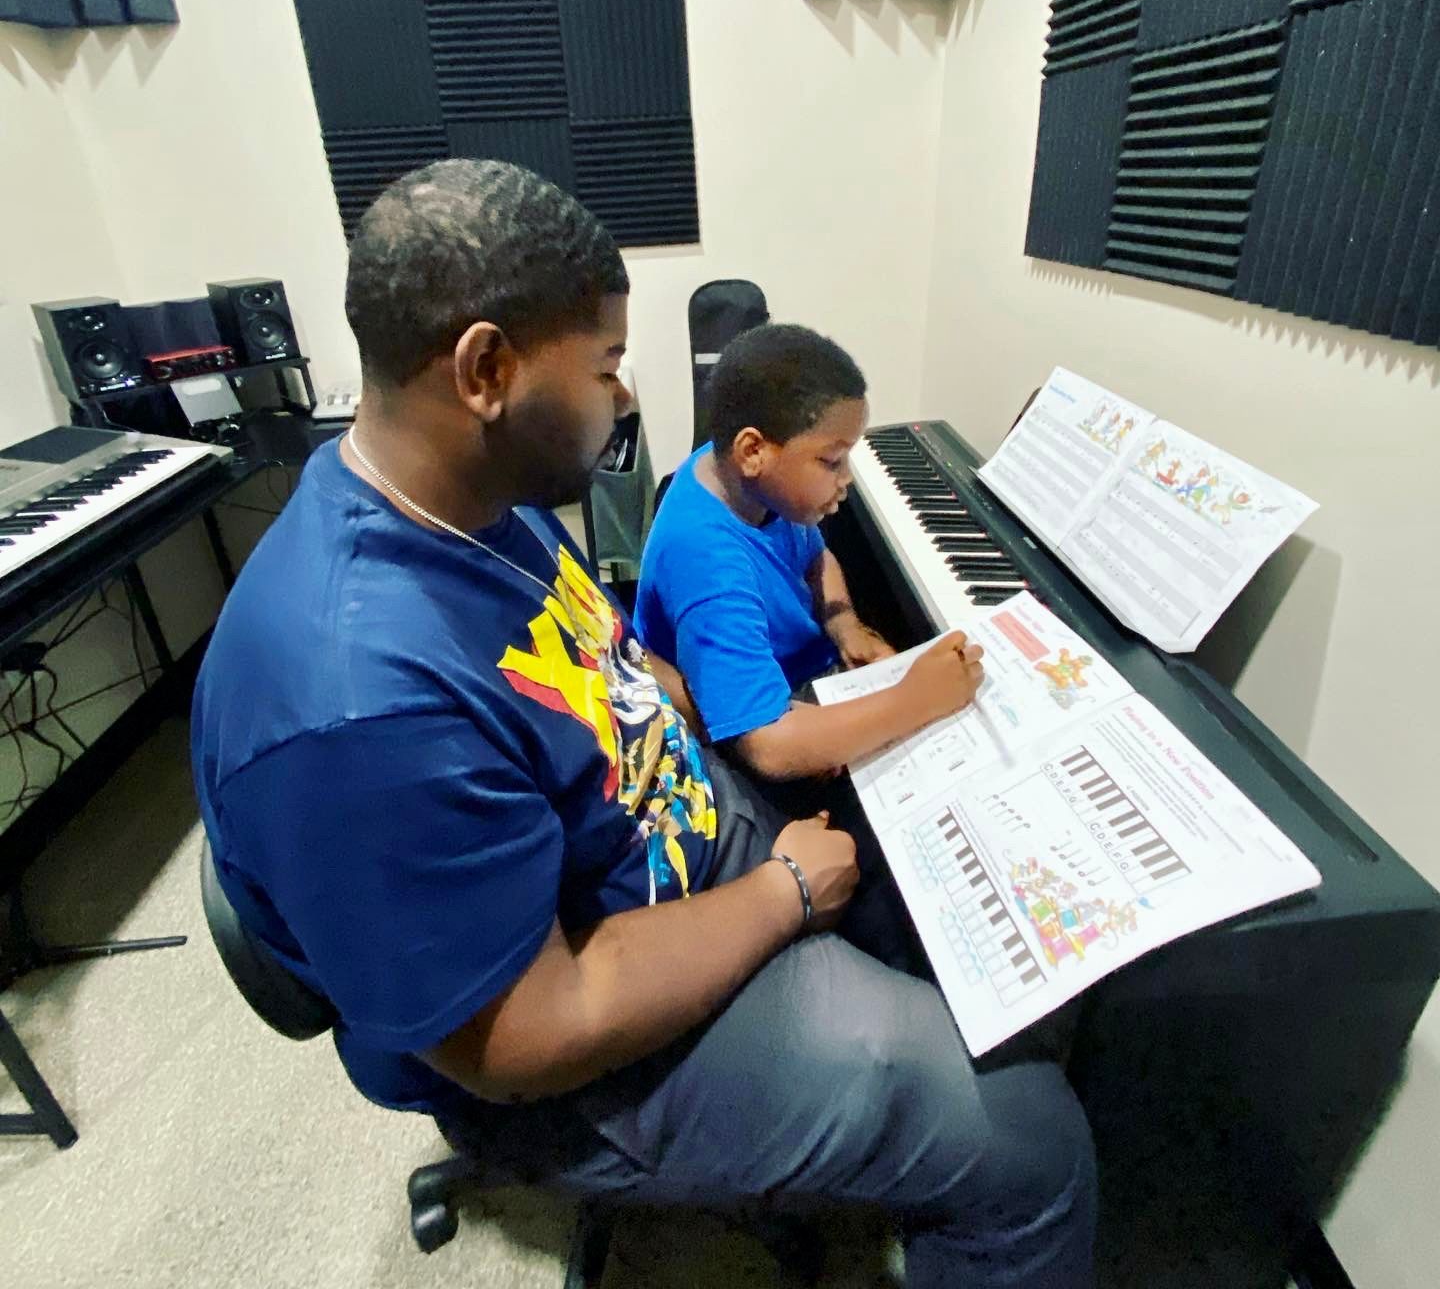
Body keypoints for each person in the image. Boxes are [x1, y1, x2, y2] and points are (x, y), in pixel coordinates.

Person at [192, 160, 1095, 1288]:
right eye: (609, 366)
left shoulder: (476, 505)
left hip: (675, 850)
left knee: (1015, 954)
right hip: (581, 1050)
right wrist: (782, 895)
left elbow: (592, 648)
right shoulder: (351, 703)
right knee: (1031, 1138)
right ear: (486, 369)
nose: (625, 398)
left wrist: (652, 672)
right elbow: (525, 1034)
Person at [635, 323, 984, 780]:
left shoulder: (745, 481)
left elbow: (816, 559)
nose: (847, 479)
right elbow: (768, 747)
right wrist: (915, 700)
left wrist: (844, 624)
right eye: (831, 460)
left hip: (799, 675)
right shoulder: (705, 562)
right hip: (766, 718)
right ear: (753, 450)